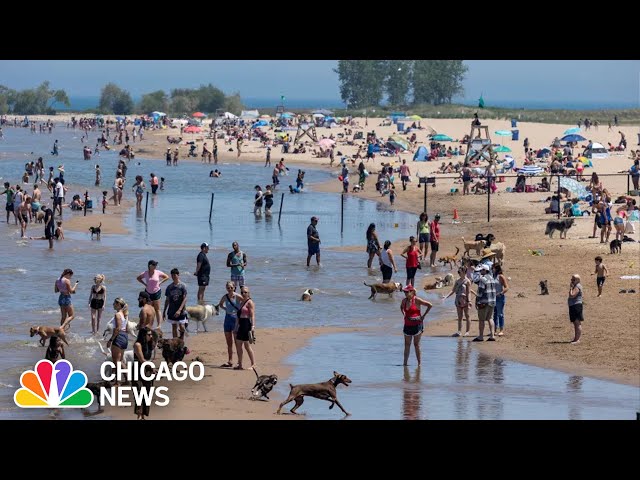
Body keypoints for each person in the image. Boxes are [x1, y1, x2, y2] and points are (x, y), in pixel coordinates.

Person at [399, 285, 432, 366]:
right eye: (404, 292)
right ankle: (405, 364)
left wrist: (423, 316)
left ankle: (419, 364)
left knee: (416, 344)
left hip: (417, 325)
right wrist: (404, 314)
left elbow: (430, 305)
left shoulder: (417, 300)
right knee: (407, 345)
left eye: (407, 292)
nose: (405, 293)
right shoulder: (404, 301)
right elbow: (401, 307)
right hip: (407, 325)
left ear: (412, 292)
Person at [443, 266, 475, 337]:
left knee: (467, 315)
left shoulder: (467, 281)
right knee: (459, 316)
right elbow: (453, 290)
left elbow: (469, 292)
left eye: (459, 272)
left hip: (465, 299)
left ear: (464, 272)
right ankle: (459, 331)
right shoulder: (457, 280)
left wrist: (469, 301)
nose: (459, 273)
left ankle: (467, 331)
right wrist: (446, 296)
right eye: (458, 272)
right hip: (458, 299)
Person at [137, 260, 170, 327]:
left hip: (156, 292)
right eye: (154, 265)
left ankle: (159, 325)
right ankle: (149, 324)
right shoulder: (145, 273)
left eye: (155, 265)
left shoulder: (158, 272)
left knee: (157, 309)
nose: (155, 266)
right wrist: (144, 284)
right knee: (149, 309)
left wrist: (160, 282)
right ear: (150, 266)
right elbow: (138, 278)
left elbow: (167, 277)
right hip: (148, 293)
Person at [133, 327, 156, 420]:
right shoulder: (137, 344)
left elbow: (150, 358)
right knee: (138, 392)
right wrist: (152, 367)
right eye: (149, 335)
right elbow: (141, 359)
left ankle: (143, 415)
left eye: (151, 334)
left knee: (147, 392)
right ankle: (139, 414)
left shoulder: (150, 344)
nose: (151, 336)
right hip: (137, 368)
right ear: (143, 335)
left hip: (148, 369)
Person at [217, 281, 242, 368]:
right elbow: (220, 304)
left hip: (235, 319)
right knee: (229, 343)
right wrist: (226, 309)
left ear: (234, 287)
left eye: (231, 287)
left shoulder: (238, 296)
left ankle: (239, 361)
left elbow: (246, 303)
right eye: (228, 287)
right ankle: (230, 360)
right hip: (227, 319)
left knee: (237, 342)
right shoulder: (225, 296)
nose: (229, 289)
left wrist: (240, 312)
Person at [472, 263, 497, 342]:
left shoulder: (483, 279)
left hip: (484, 302)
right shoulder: (492, 278)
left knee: (481, 319)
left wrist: (476, 301)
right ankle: (492, 335)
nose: (480, 272)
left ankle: (481, 336)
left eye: (481, 270)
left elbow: (480, 292)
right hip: (492, 301)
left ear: (485, 270)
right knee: (490, 318)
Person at [234, 285, 256, 370]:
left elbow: (252, 315)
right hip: (241, 324)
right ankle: (240, 364)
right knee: (239, 345)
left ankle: (253, 364)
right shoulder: (241, 302)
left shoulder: (250, 302)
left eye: (245, 292)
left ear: (248, 293)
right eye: (242, 292)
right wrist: (235, 327)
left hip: (247, 324)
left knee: (247, 346)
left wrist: (253, 326)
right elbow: (238, 316)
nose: (243, 293)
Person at [163, 268, 188, 339]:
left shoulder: (183, 286)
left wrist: (179, 310)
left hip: (181, 310)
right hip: (172, 310)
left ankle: (181, 341)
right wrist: (164, 311)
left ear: (178, 275)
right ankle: (175, 342)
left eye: (175, 275)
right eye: (172, 275)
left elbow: (185, 299)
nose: (173, 277)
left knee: (182, 326)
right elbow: (167, 300)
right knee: (174, 327)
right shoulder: (169, 287)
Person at [106, 297, 129, 370]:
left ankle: (128, 378)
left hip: (119, 336)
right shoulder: (124, 314)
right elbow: (126, 327)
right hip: (124, 336)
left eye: (114, 303)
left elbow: (118, 328)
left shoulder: (117, 314)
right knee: (120, 361)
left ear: (118, 304)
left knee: (117, 362)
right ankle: (118, 380)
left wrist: (110, 340)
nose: (113, 305)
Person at [492, 264, 509, 336]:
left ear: (496, 269)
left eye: (493, 268)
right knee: (494, 314)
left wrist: (501, 293)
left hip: (499, 298)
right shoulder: (493, 276)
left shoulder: (501, 276)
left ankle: (501, 330)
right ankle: (494, 330)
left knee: (500, 314)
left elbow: (506, 287)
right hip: (493, 298)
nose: (492, 270)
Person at [568, 274, 583, 344]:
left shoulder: (577, 287)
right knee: (575, 323)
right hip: (573, 305)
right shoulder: (575, 286)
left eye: (573, 280)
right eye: (571, 279)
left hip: (576, 306)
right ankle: (575, 339)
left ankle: (577, 340)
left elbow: (572, 295)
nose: (572, 281)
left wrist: (571, 288)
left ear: (577, 280)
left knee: (577, 323)